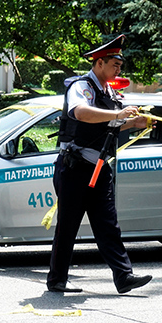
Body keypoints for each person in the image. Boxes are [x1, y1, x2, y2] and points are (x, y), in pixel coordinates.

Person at [47, 34, 153, 294]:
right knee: (68, 226)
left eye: (120, 65)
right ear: (99, 63)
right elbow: (81, 113)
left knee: (108, 224)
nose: (119, 69)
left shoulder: (109, 91)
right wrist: (118, 114)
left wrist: (134, 123)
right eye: (115, 64)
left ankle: (123, 277)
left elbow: (109, 124)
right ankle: (57, 280)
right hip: (75, 168)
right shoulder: (81, 87)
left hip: (99, 168)